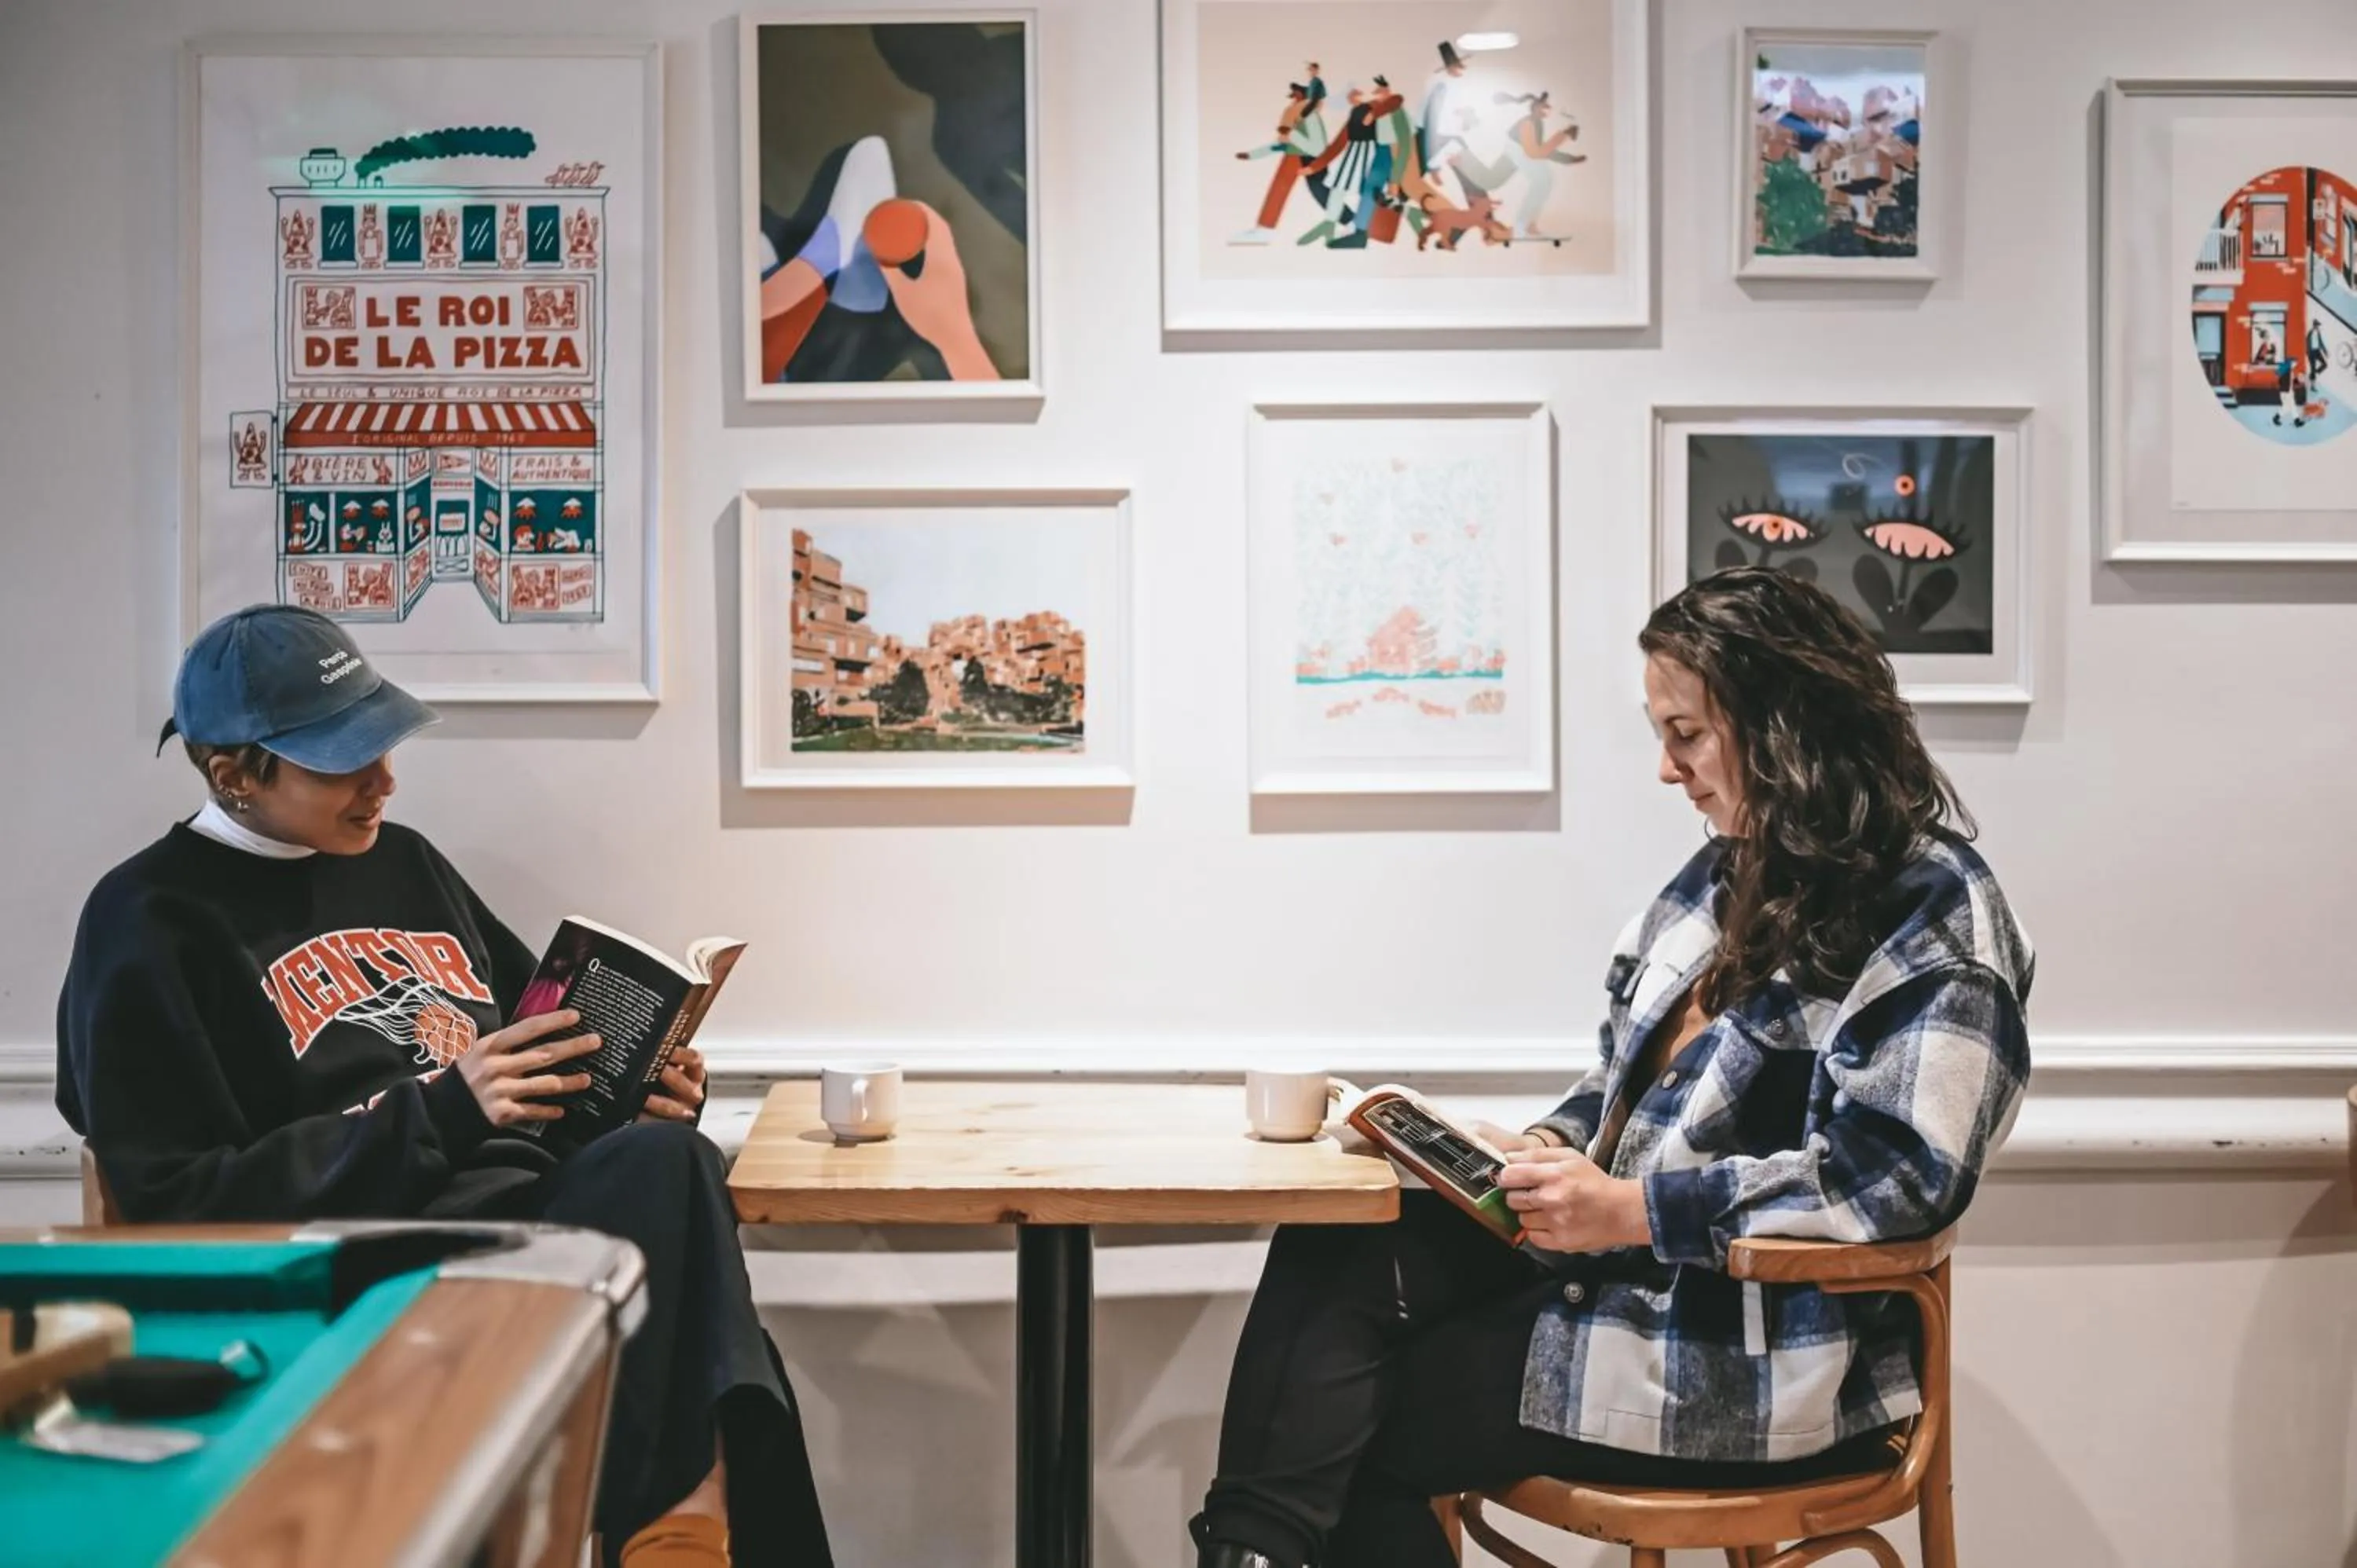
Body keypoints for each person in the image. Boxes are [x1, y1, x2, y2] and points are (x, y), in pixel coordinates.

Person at [1189, 568, 2033, 1568]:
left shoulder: (1932, 909)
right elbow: (1624, 1086)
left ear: (1785, 725)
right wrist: (1544, 1145)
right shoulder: (1727, 872)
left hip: (1764, 1355)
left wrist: (1635, 1211)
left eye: (1686, 733)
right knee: (1340, 1249)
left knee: (1351, 1420)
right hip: (1632, 1287)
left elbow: (1900, 1175)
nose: (1667, 770)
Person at [57, 605, 833, 1568]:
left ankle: (675, 1535)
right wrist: (439, 1114)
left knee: (667, 1153)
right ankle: (681, 1534)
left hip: (532, 1222)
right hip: (370, 1265)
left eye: (382, 745)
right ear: (234, 776)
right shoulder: (147, 920)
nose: (385, 780)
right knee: (688, 1269)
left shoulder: (408, 860)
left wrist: (635, 1082)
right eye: (346, 760)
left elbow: (536, 1051)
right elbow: (178, 1202)